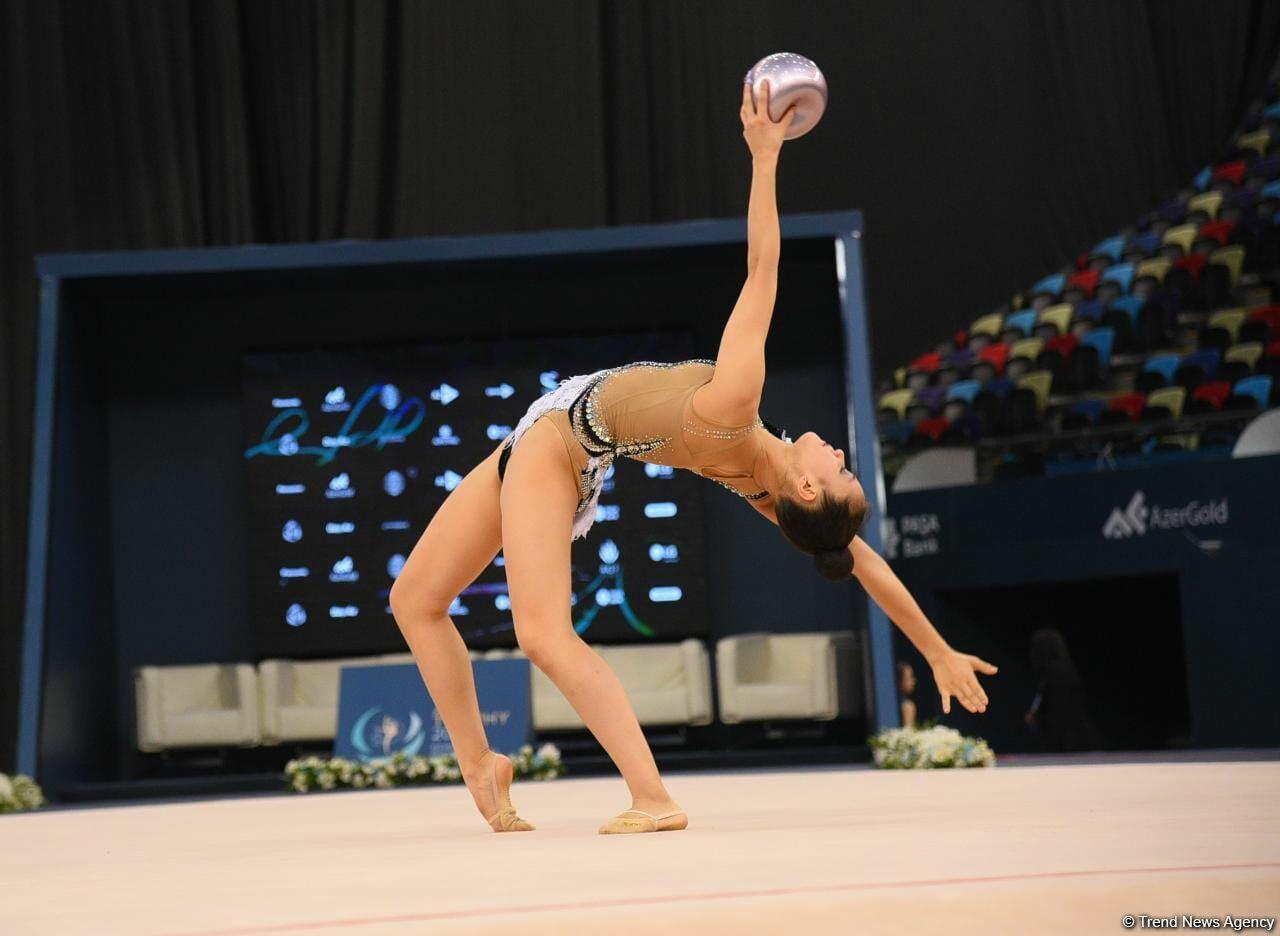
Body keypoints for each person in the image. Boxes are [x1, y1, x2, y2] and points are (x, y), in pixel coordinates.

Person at [388, 79, 998, 835]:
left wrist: (765, 157)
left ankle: (652, 796)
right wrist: (936, 651)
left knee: (542, 635)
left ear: (809, 487)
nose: (842, 453)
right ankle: (480, 765)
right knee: (416, 599)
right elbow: (857, 560)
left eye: (840, 469)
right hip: (545, 433)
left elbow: (763, 269)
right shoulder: (766, 483)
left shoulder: (736, 409)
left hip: (557, 447)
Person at [1024, 627, 1101, 753]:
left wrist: (1038, 717)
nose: (1032, 653)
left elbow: (1060, 711)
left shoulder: (1059, 674)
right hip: (1065, 739)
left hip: (1070, 742)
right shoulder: (1048, 676)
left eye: (1036, 648)